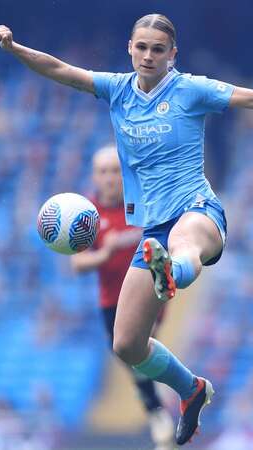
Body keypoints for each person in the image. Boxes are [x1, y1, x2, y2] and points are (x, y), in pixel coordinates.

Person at [0, 13, 253, 445]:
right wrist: (15, 49)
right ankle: (191, 389)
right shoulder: (117, 90)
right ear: (129, 49)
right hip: (152, 228)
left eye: (158, 49)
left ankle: (170, 272)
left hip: (197, 210)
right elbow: (60, 70)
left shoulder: (191, 89)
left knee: (183, 244)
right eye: (142, 47)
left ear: (173, 54)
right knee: (127, 346)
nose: (149, 55)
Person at [70, 145, 174, 450]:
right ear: (94, 176)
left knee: (138, 345)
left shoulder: (142, 202)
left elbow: (164, 230)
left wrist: (128, 239)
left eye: (115, 170)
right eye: (103, 172)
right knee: (129, 356)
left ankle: (160, 410)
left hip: (147, 288)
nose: (110, 178)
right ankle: (157, 403)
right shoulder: (86, 214)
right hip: (110, 299)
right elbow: (77, 263)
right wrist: (106, 252)